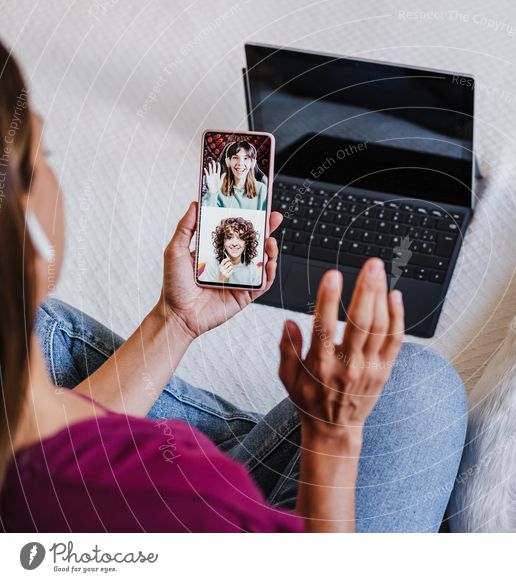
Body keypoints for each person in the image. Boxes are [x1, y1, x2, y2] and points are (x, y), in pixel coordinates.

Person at [0, 41, 467, 533]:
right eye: (42, 154)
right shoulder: (180, 494)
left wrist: (175, 322)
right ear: (24, 221)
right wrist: (335, 437)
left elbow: (53, 441)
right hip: (211, 516)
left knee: (50, 338)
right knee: (419, 391)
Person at [202, 141, 269, 210]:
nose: (240, 163)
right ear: (228, 162)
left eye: (246, 158)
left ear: (252, 163)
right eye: (235, 158)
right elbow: (208, 215)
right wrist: (212, 193)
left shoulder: (262, 189)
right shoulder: (218, 188)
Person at [199, 216, 262, 286]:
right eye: (229, 238)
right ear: (223, 242)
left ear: (246, 243)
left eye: (240, 238)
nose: (234, 243)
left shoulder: (253, 270)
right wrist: (221, 281)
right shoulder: (212, 264)